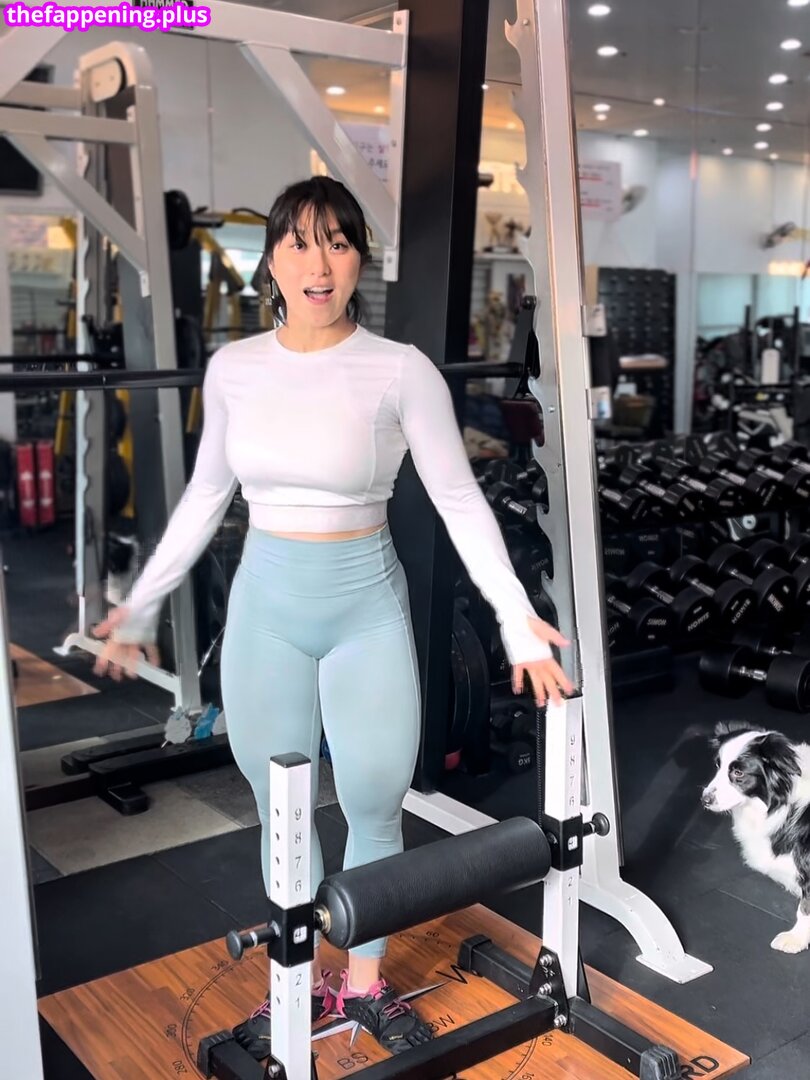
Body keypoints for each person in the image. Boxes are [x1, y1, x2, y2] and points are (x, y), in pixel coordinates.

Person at [91, 176, 574, 1059]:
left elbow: (460, 500)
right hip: (268, 610)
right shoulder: (236, 369)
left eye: (340, 243)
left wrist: (514, 618)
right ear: (272, 261)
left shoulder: (400, 370)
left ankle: (364, 984)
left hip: (366, 609)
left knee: (374, 801)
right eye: (301, 243)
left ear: (359, 260)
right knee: (279, 809)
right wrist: (140, 604)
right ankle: (298, 982)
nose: (320, 264)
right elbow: (205, 497)